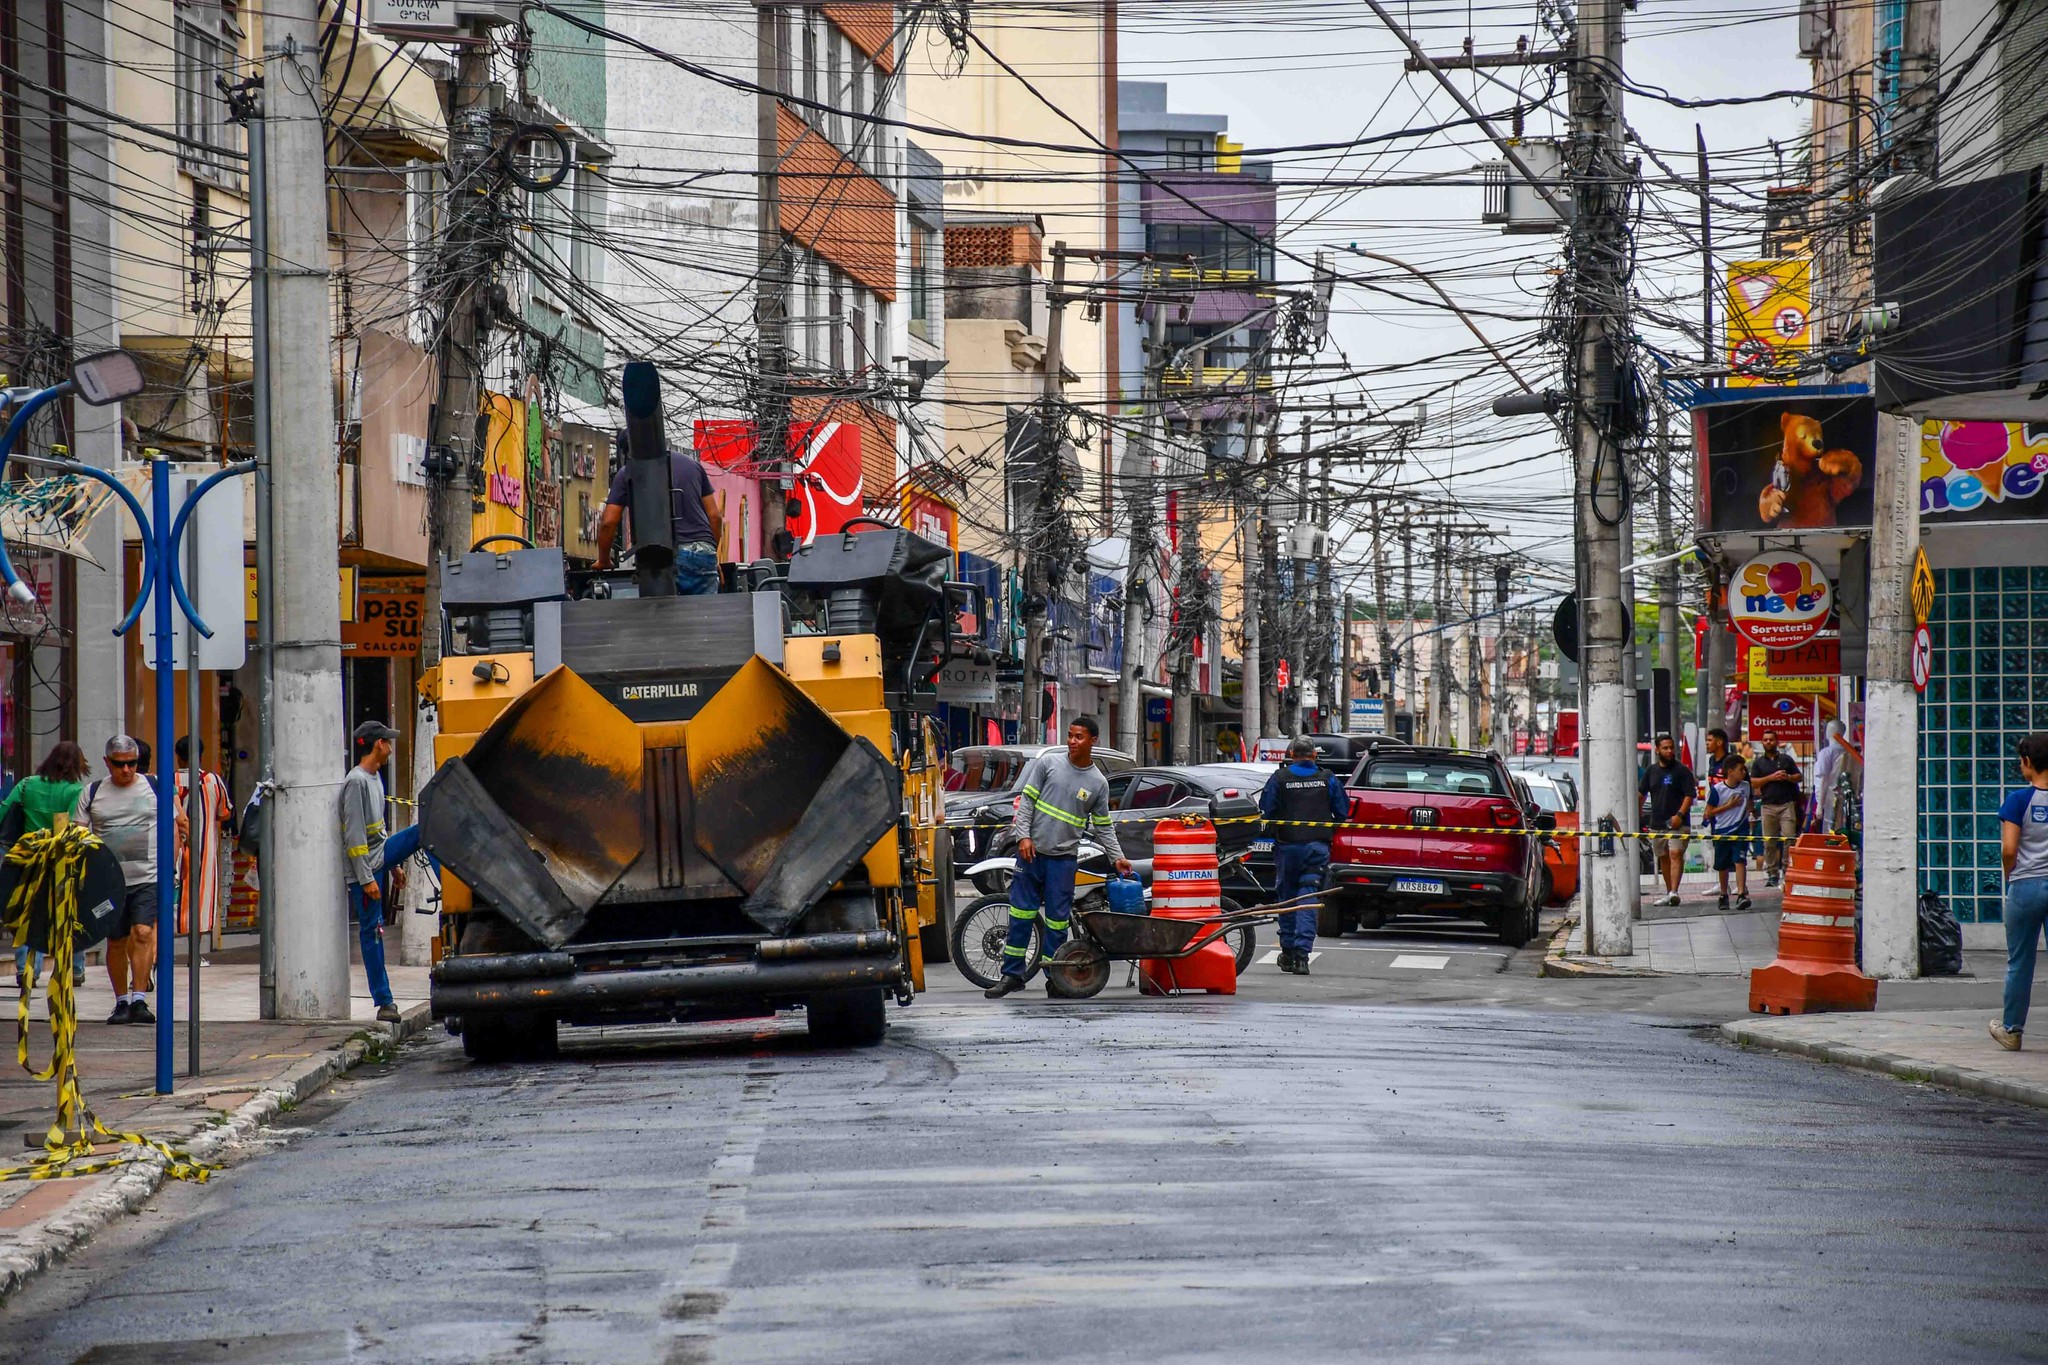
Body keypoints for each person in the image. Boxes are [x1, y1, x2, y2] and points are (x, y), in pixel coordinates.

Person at [985, 716, 1131, 999]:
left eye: (1079, 737)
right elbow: (1026, 803)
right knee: (1020, 916)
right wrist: (1022, 836)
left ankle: (1056, 978)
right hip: (1031, 856)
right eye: (1070, 735)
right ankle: (1012, 975)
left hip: (1063, 861)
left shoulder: (1098, 784)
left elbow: (1103, 826)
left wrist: (1117, 858)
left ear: (1092, 741)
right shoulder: (1048, 764)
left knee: (1056, 923)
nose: (1072, 741)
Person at [74, 735, 186, 1026]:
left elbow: (174, 828)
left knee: (143, 932)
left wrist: (169, 868)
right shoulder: (93, 792)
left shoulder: (154, 787)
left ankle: (139, 998)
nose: (126, 770)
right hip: (110, 882)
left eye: (132, 763)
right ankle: (121, 1001)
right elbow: (78, 834)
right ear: (107, 762)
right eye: (119, 764)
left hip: (148, 876)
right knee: (116, 941)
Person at [2, 741, 89, 992]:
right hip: (60, 859)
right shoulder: (76, 790)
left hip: (27, 857)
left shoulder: (27, 784)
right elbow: (74, 826)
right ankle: (76, 968)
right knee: (69, 913)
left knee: (29, 913)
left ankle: (26, 969)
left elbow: (4, 811)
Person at [1259, 737, 1349, 975]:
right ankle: (1301, 956)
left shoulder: (1279, 778)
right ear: (1314, 755)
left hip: (1288, 848)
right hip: (1316, 848)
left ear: (1291, 755)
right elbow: (1342, 811)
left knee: (1287, 900)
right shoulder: (1327, 778)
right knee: (1308, 898)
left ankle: (1288, 952)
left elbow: (1266, 811)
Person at [593, 447, 726, 595]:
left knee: (664, 615)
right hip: (703, 552)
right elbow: (715, 516)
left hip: (664, 555)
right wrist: (711, 555)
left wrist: (604, 560)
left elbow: (608, 523)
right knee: (705, 615)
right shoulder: (693, 465)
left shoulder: (628, 472)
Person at [340, 720, 404, 1024]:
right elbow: (354, 839)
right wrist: (367, 880)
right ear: (378, 744)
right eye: (388, 742)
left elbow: (379, 834)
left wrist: (394, 866)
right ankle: (385, 1002)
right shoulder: (356, 783)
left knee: (424, 832)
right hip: (365, 872)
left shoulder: (376, 779)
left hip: (380, 861)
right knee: (373, 933)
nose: (391, 747)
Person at [1991, 732, 2048, 1051]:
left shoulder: (2017, 801)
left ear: (2027, 762)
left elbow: (2009, 849)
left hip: (2025, 886)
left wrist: (2010, 874)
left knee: (2020, 962)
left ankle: (2012, 1030)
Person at [173, 736, 232, 943]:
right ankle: (194, 952)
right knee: (200, 897)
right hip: (204, 851)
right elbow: (225, 813)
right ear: (200, 756)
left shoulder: (168, 781)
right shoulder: (214, 781)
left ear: (178, 758)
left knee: (172, 896)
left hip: (174, 850)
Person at [1638, 734, 1695, 907]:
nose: (1669, 751)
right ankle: (1669, 892)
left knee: (1676, 853)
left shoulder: (1682, 771)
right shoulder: (1651, 771)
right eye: (1665, 748)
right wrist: (1638, 814)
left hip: (1678, 822)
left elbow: (1689, 795)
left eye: (1671, 747)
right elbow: (1642, 793)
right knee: (1663, 857)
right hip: (1657, 822)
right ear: (1657, 750)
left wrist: (1679, 814)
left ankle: (1674, 891)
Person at [1703, 755, 1752, 913]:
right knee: (1722, 865)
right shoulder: (1718, 790)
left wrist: (1751, 812)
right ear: (1730, 771)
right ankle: (1724, 894)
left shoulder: (1746, 786)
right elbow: (1708, 813)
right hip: (1723, 830)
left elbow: (1750, 803)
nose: (1743, 772)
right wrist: (1728, 806)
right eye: (1740, 769)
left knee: (1740, 860)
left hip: (1741, 829)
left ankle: (1741, 893)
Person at [1753, 736, 1803, 886]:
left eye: (1771, 739)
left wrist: (1787, 777)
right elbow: (1753, 781)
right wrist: (1770, 778)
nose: (1768, 742)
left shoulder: (1786, 759)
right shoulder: (1758, 763)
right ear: (1762, 742)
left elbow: (1798, 776)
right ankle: (1772, 873)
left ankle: (1788, 870)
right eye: (1765, 740)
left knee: (1789, 838)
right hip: (1767, 806)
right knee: (1769, 842)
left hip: (1786, 804)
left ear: (1777, 742)